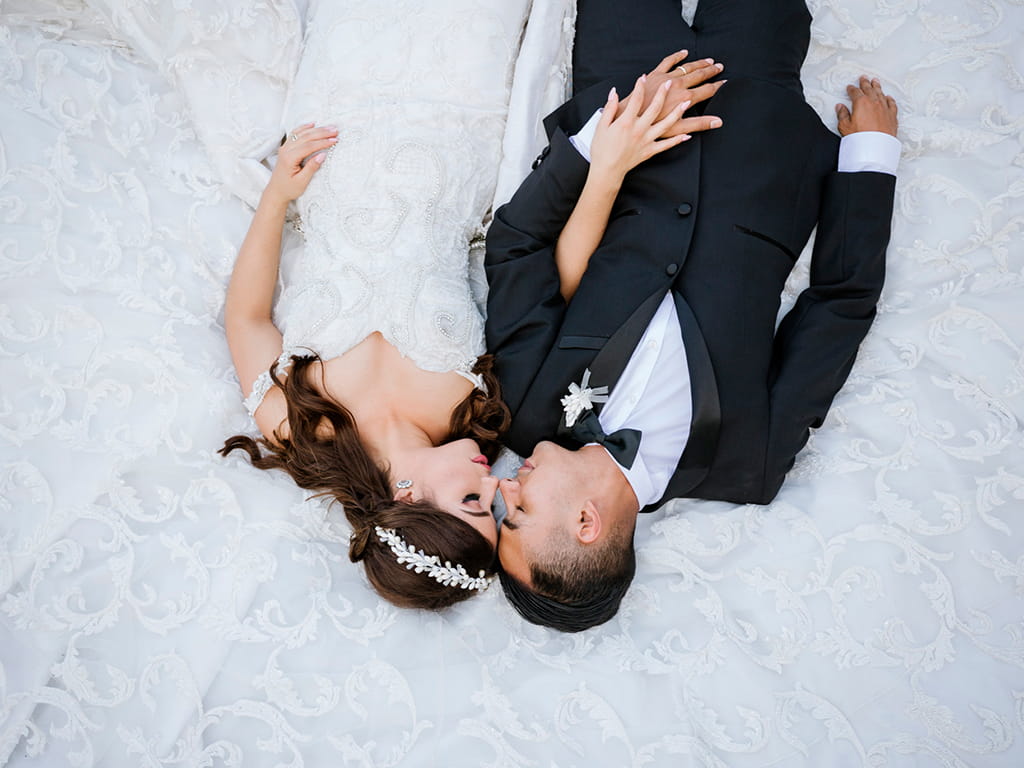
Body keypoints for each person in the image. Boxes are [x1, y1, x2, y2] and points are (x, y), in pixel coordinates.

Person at [485, 0, 901, 631]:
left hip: (635, 93)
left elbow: (516, 244)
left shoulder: (521, 407)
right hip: (766, 128)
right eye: (516, 513)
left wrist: (608, 128)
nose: (503, 489)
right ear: (586, 524)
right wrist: (870, 163)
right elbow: (839, 307)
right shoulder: (748, 465)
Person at [219, 0, 537, 609]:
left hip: (339, 132)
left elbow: (246, 319)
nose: (491, 481)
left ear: (410, 496)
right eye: (493, 503)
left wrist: (277, 196)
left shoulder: (301, 426)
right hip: (462, 118)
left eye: (473, 501)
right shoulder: (474, 408)